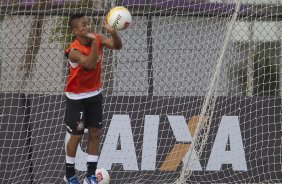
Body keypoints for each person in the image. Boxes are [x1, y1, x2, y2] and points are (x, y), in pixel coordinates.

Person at [63, 13, 122, 184]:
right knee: (77, 135)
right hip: (76, 98)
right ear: (75, 30)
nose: (86, 27)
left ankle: (90, 175)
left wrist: (113, 33)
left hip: (94, 94)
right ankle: (69, 174)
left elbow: (117, 46)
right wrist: (96, 42)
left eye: (87, 24)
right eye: (82, 25)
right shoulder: (73, 51)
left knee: (95, 133)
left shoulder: (97, 37)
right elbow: (90, 64)